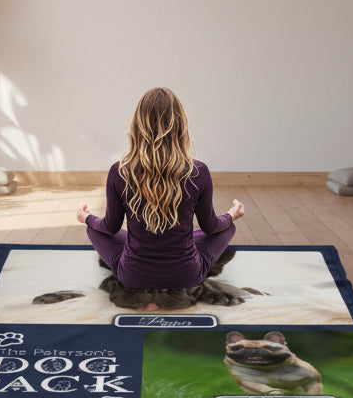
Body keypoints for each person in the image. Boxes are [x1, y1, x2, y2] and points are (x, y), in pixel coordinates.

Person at [76, 87, 245, 299]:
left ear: (137, 125)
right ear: (181, 125)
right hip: (188, 275)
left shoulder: (119, 171)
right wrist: (231, 215)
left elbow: (109, 228)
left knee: (95, 230)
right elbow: (211, 226)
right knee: (225, 228)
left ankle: (150, 241)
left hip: (132, 275)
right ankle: (182, 240)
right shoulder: (198, 171)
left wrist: (87, 218)